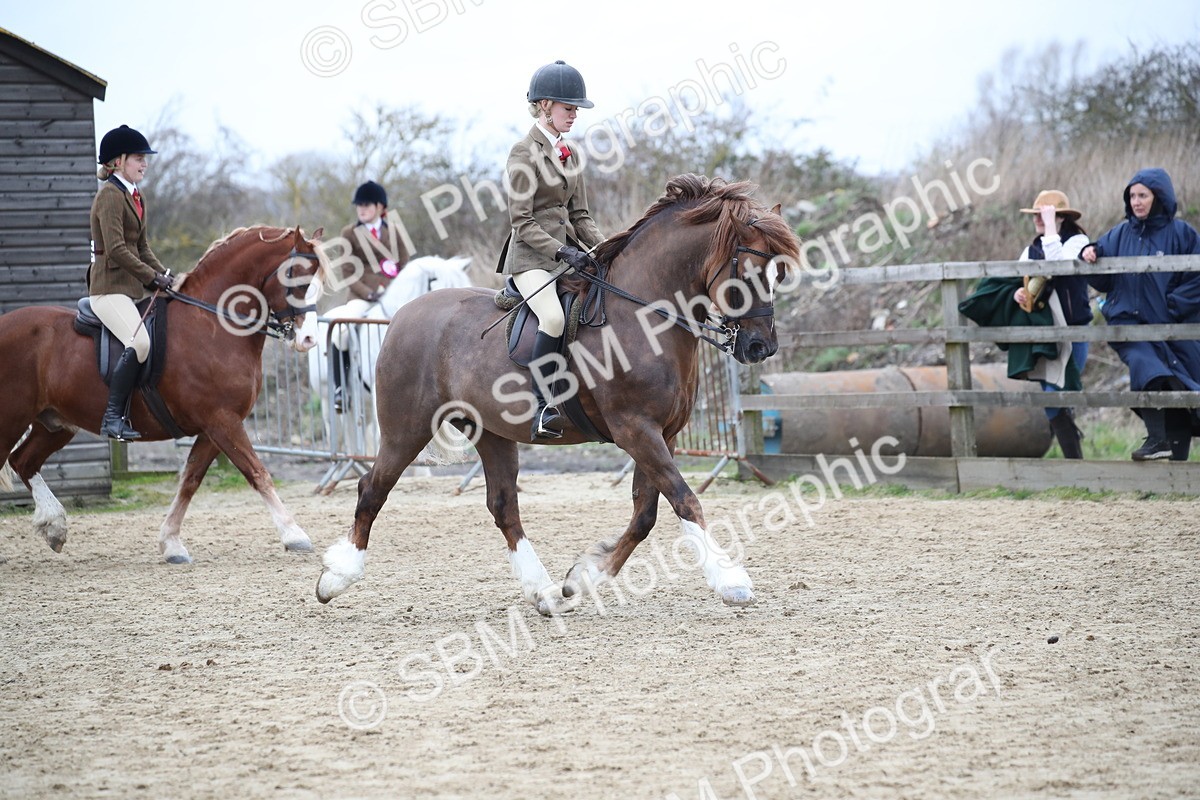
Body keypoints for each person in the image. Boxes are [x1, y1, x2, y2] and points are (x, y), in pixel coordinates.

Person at [498, 60, 605, 440]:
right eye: (567, 107)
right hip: (531, 259)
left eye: (576, 109)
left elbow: (581, 216)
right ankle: (542, 407)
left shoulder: (571, 154)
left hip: (569, 254)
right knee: (555, 319)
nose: (574, 115)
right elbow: (521, 223)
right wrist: (563, 252)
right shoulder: (523, 154)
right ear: (544, 105)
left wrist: (606, 248)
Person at [1082, 167, 1200, 461]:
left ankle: (1174, 462)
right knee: (1145, 366)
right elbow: (1102, 278)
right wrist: (1089, 252)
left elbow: (1197, 277)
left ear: (1158, 196)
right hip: (1126, 324)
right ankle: (1158, 439)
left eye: (1142, 195)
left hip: (1170, 325)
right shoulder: (1120, 233)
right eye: (1132, 196)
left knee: (1177, 382)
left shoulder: (1182, 233)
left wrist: (1174, 305)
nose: (1136, 202)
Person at [87, 124, 175, 441]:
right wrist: (152, 278)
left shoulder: (136, 196)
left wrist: (165, 276)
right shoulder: (110, 196)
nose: (145, 164)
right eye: (139, 158)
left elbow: (142, 247)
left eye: (145, 158)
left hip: (130, 290)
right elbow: (117, 250)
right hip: (108, 290)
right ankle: (112, 418)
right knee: (139, 342)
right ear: (120, 160)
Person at [1012, 190, 1092, 459]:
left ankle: (1074, 463)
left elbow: (1057, 266)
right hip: (1045, 334)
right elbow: (1018, 281)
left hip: (1073, 330)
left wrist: (1049, 228)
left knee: (1055, 395)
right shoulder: (1030, 249)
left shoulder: (1078, 241)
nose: (1037, 218)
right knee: (1052, 398)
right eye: (1035, 214)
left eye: (1043, 214)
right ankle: (1074, 463)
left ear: (1061, 217)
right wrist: (1019, 294)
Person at [326, 180, 408, 412]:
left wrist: (393, 290)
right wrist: (368, 293)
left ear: (380, 207)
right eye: (358, 205)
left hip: (392, 297)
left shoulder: (394, 232)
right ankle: (341, 390)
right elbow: (348, 272)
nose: (361, 209)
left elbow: (404, 265)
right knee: (340, 332)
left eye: (366, 205)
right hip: (361, 297)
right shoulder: (349, 233)